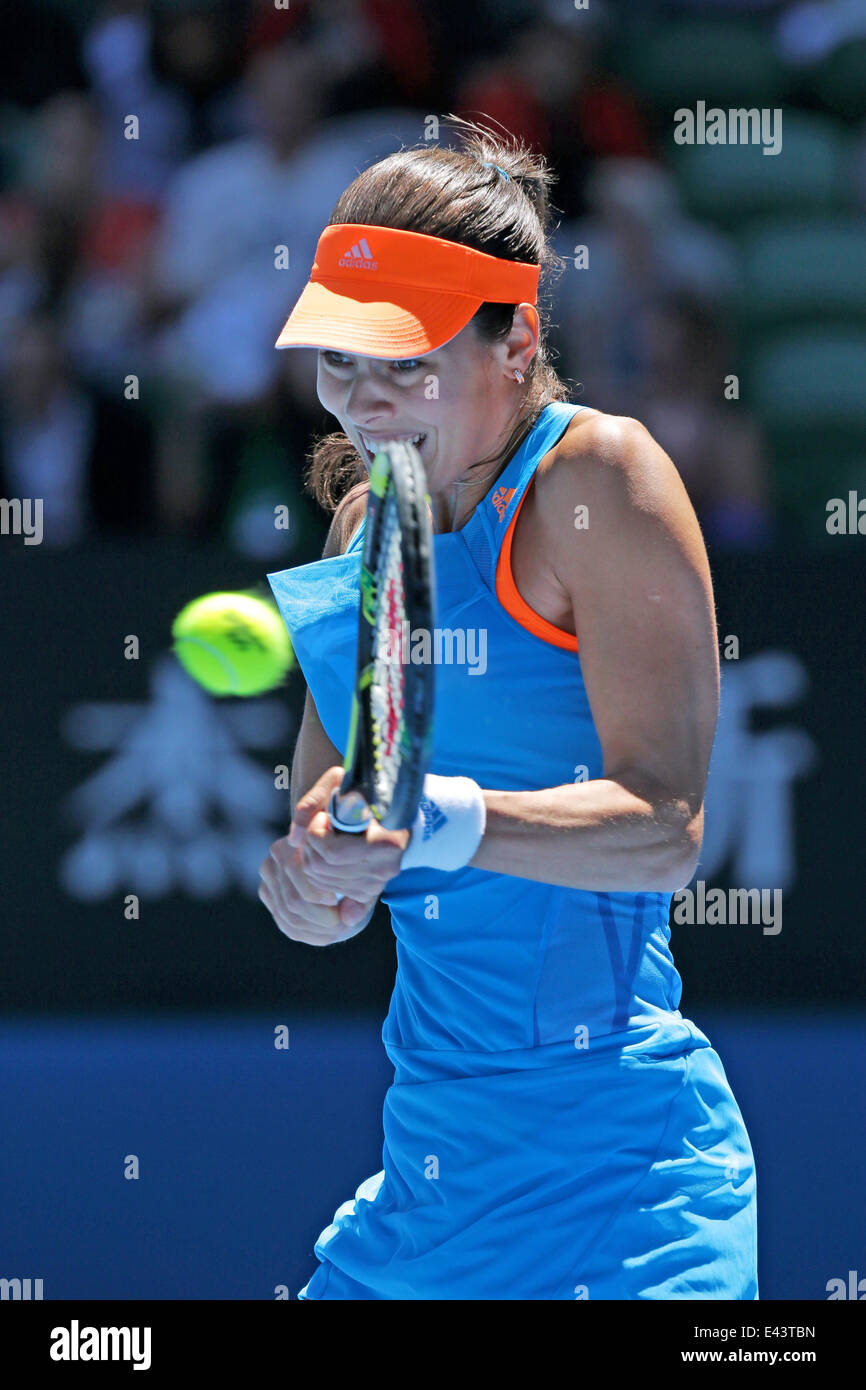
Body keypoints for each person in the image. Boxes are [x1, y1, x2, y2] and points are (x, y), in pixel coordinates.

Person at [259, 123, 758, 1300]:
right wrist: (314, 886)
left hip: (629, 1195)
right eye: (340, 362)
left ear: (516, 337)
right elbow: (334, 879)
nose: (363, 405)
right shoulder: (362, 532)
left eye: (404, 363)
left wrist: (440, 819)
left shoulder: (600, 478)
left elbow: (663, 828)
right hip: (428, 1186)